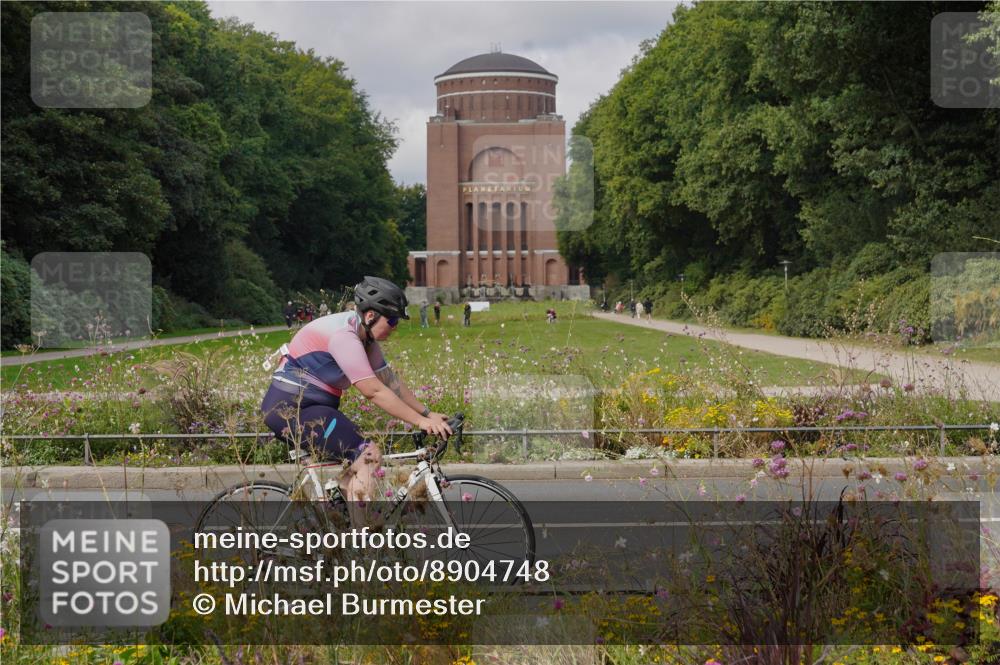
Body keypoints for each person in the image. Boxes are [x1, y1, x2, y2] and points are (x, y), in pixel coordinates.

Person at [260, 276, 452, 511]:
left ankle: (343, 526)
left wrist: (427, 413)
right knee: (368, 455)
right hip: (291, 410)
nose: (395, 326)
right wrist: (421, 422)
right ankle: (364, 542)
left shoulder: (364, 337)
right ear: (371, 315)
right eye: (392, 320)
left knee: (360, 461)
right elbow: (373, 390)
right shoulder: (344, 336)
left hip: (313, 408)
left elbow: (389, 381)